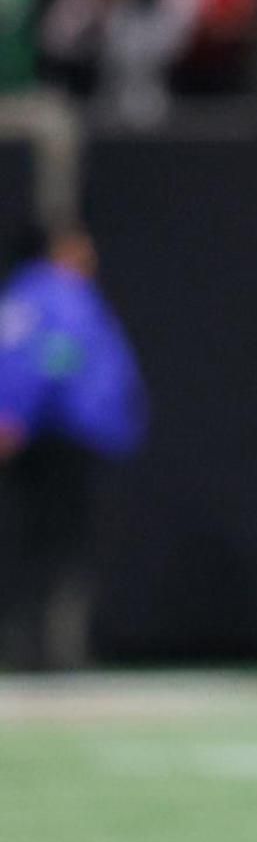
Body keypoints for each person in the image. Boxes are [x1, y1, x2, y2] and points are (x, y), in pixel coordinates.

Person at [0, 227, 147, 669]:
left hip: (58, 436)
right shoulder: (54, 294)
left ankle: (38, 645)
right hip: (60, 436)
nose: (90, 251)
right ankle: (43, 649)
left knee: (46, 542)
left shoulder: (31, 295)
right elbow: (48, 358)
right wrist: (17, 415)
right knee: (55, 544)